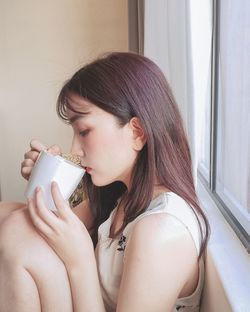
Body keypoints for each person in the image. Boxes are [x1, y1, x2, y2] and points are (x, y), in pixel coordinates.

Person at [0, 52, 210, 312]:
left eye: (84, 131)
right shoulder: (124, 195)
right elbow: (52, 225)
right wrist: (46, 178)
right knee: (10, 217)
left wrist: (81, 261)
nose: (74, 148)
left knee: (16, 232)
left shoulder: (161, 231)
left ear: (137, 132)